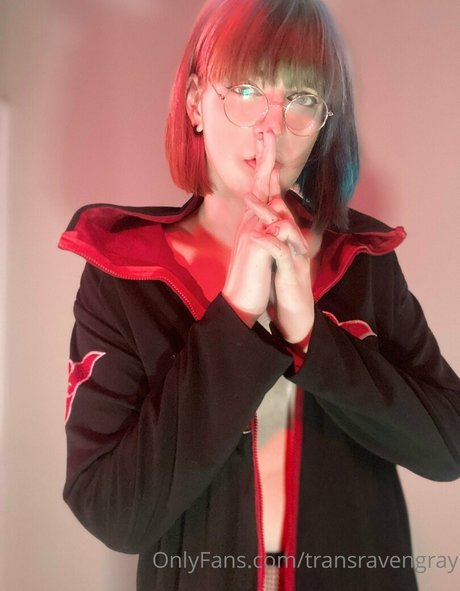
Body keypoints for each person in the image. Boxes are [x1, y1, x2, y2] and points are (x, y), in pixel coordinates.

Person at [59, 0, 460, 589]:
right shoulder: (124, 275)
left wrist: (310, 336)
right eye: (246, 90)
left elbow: (449, 446)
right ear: (195, 102)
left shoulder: (362, 262)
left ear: (322, 124)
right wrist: (236, 316)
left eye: (301, 98)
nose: (271, 126)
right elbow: (114, 511)